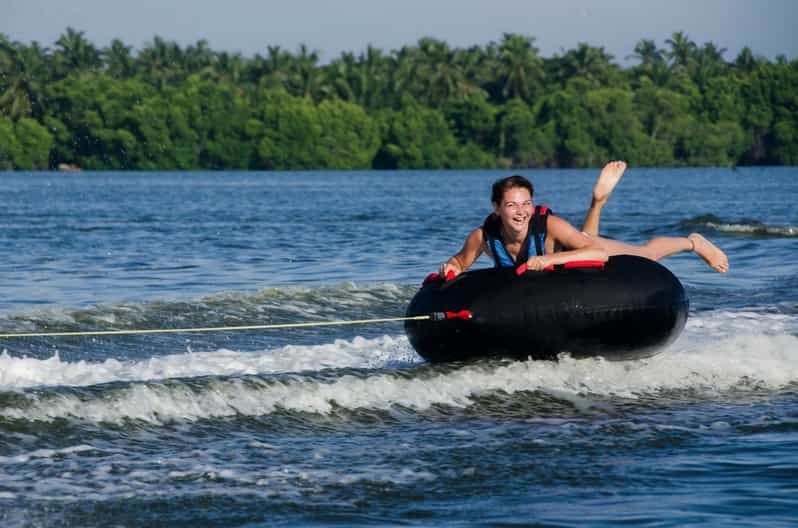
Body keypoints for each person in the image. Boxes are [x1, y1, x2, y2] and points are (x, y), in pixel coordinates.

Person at [440, 161, 729, 277]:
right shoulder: (483, 236)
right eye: (512, 205)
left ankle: (693, 241)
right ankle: (597, 202)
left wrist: (548, 261)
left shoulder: (548, 225)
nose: (521, 211)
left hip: (578, 252)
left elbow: (597, 254)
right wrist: (450, 268)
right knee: (586, 237)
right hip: (571, 263)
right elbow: (460, 262)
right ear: (497, 208)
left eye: (526, 204)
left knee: (647, 256)